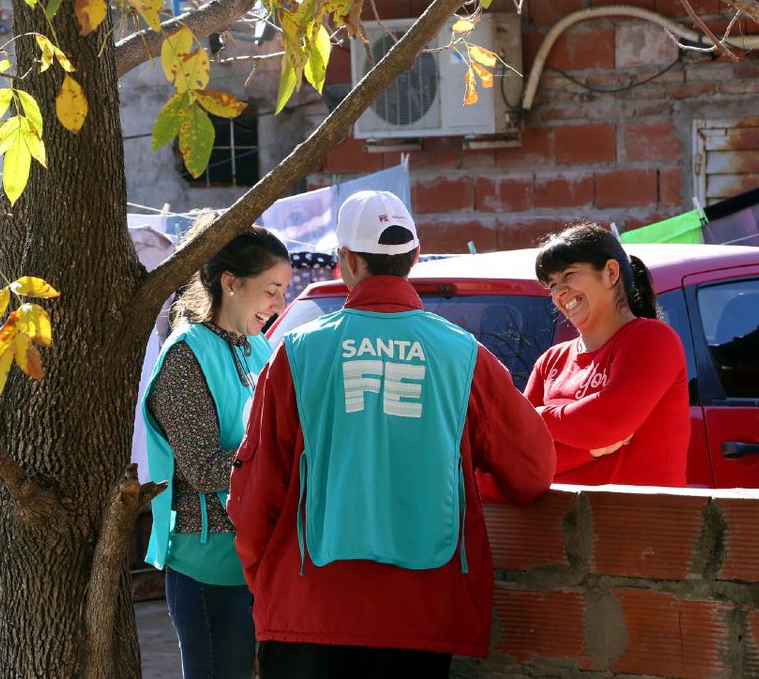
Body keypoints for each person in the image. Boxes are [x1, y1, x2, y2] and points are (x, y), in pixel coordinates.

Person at [228, 190, 555, 679]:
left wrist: (269, 583)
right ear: (415, 258)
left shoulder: (296, 353)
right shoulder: (464, 355)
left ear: (346, 262)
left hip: (309, 610)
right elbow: (532, 474)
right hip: (422, 617)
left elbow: (255, 498)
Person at [141, 221, 291, 679]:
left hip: (260, 559)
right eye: (271, 290)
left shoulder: (259, 348)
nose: (280, 305)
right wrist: (288, 465)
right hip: (209, 565)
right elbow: (206, 468)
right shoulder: (186, 354)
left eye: (285, 291)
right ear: (231, 283)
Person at [526, 222, 689, 486]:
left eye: (568, 274)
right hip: (559, 524)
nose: (559, 292)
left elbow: (606, 423)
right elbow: (515, 452)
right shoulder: (551, 361)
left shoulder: (652, 339)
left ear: (611, 272)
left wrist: (533, 417)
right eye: (553, 284)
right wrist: (587, 451)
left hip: (642, 524)